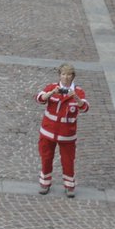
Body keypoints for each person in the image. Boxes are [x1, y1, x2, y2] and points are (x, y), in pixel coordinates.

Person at [36, 63, 89, 197]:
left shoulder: (79, 91)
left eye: (68, 75)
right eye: (63, 74)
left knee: (68, 160)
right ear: (59, 76)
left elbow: (85, 108)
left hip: (67, 135)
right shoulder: (52, 87)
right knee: (46, 158)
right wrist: (51, 93)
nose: (65, 78)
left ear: (73, 77)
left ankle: (69, 186)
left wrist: (76, 98)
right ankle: (45, 183)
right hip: (48, 133)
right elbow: (39, 99)